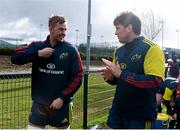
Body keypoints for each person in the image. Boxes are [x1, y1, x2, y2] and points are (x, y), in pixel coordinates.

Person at [11, 15, 83, 129]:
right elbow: (15, 57)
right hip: (39, 106)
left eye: (65, 29)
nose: (63, 32)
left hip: (61, 106)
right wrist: (38, 54)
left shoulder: (70, 49)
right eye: (60, 29)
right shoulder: (37, 46)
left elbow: (78, 76)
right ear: (50, 28)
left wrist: (62, 98)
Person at [100, 11, 165, 129]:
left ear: (129, 27)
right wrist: (111, 78)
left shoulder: (152, 48)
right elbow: (119, 79)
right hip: (117, 111)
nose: (115, 32)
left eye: (118, 28)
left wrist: (120, 74)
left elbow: (154, 82)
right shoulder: (118, 51)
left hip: (140, 116)